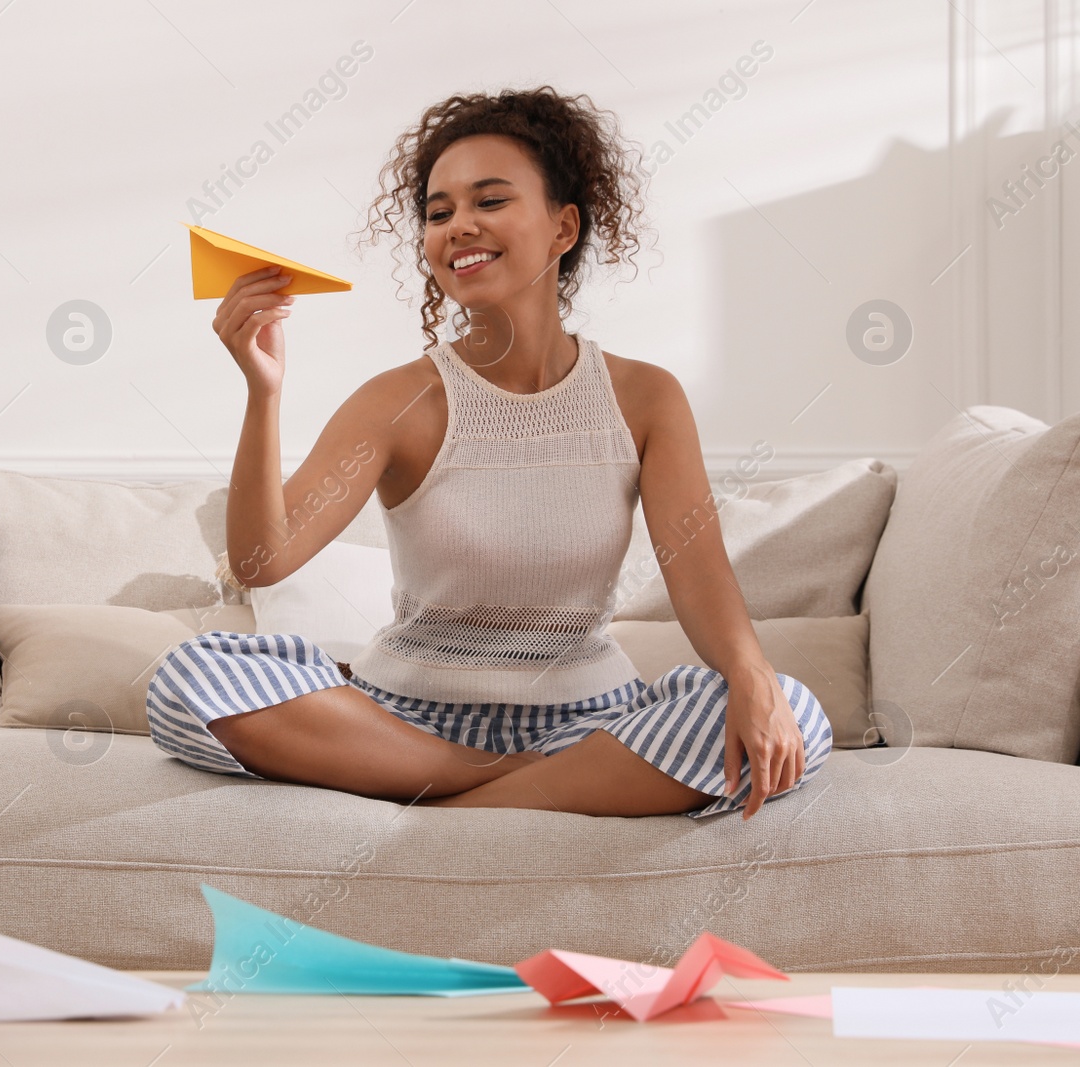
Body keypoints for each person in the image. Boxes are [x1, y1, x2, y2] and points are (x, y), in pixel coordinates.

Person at [145, 87, 832, 821]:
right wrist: (263, 391)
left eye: (489, 201)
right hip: (402, 719)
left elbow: (701, 579)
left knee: (795, 712)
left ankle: (448, 801)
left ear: (563, 226)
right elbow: (261, 562)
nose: (457, 226)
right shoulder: (399, 401)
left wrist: (752, 674)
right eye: (438, 213)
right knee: (189, 675)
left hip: (587, 719)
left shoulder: (645, 398)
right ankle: (499, 780)